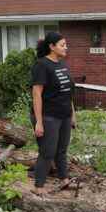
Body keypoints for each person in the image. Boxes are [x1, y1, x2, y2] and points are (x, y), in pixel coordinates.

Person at [30, 31, 76, 193]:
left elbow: (67, 92)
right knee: (47, 152)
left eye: (65, 45)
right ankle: (38, 187)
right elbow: (36, 94)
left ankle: (64, 180)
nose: (66, 48)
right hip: (48, 116)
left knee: (61, 150)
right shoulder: (42, 65)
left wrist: (72, 115)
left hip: (64, 115)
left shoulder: (62, 64)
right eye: (62, 45)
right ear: (51, 47)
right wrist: (39, 122)